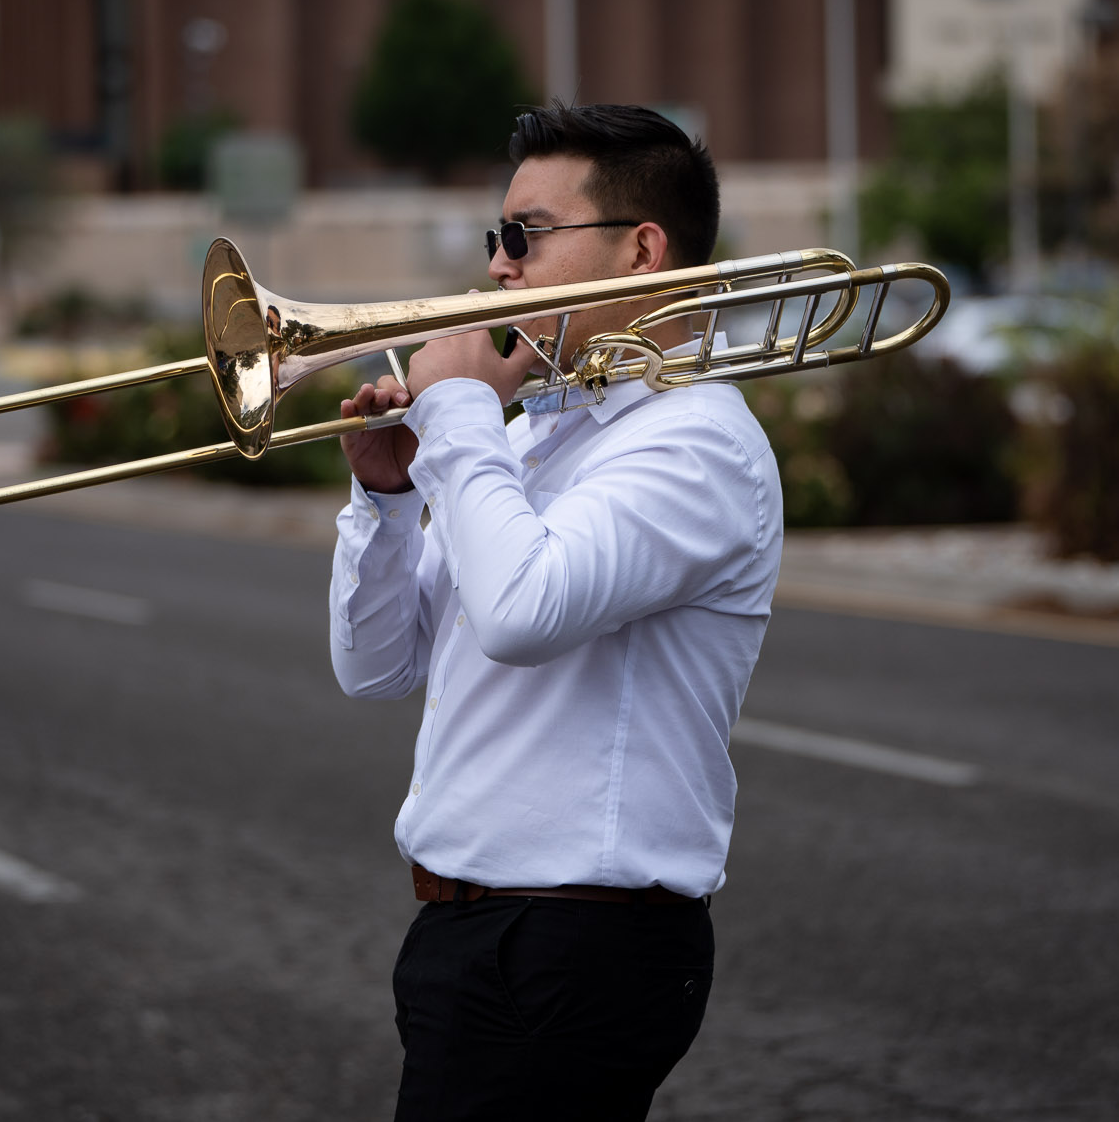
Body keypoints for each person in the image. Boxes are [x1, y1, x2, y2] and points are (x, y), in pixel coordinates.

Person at [328, 103, 783, 1121]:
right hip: (466, 935)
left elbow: (523, 613)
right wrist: (387, 500)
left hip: (580, 945)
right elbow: (374, 667)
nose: (497, 266)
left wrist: (452, 413)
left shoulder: (694, 441)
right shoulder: (532, 438)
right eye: (496, 239)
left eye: (524, 237)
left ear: (640, 251)